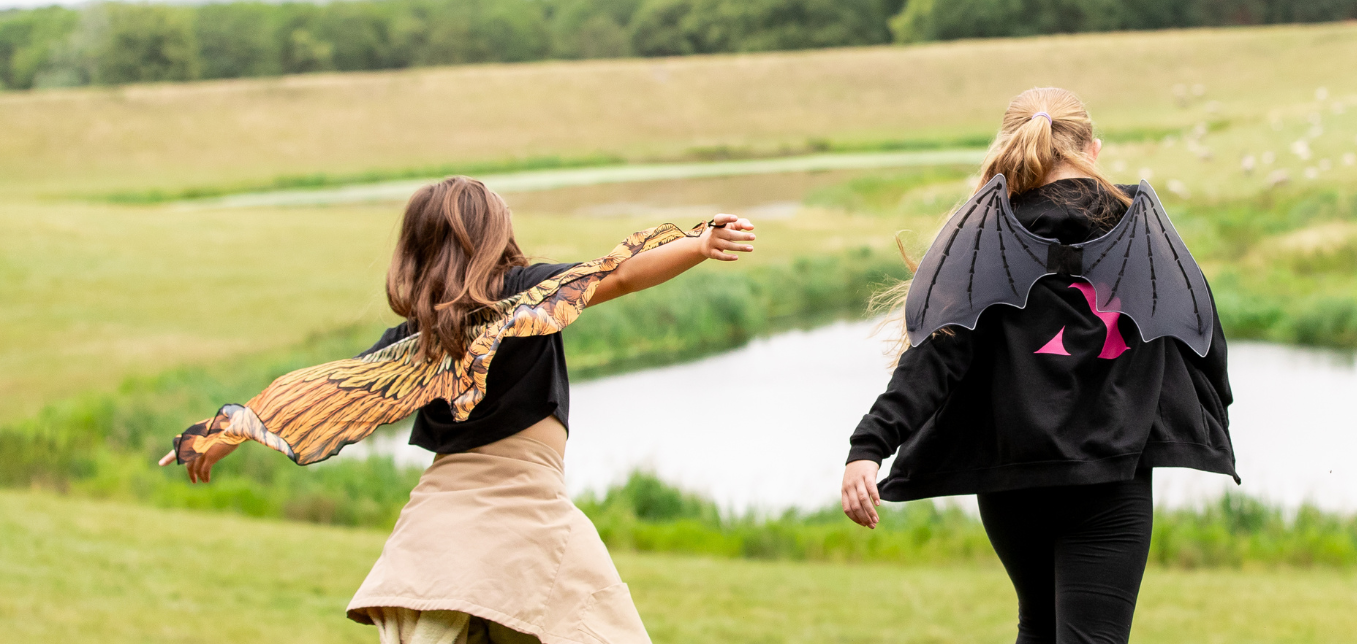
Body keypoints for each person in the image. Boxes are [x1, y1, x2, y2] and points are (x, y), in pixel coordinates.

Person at [169, 176, 756, 644]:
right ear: (494, 235)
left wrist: (224, 434)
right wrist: (700, 244)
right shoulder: (524, 294)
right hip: (524, 510)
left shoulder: (416, 338)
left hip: (440, 525)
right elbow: (620, 274)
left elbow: (318, 396)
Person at [840, 87, 1237, 644]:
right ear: (1092, 149)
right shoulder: (1137, 230)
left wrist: (870, 445)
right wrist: (1213, 411)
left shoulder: (982, 237)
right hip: (1108, 479)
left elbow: (937, 353)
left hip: (1012, 483)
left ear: (1010, 147)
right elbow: (1200, 337)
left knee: (1040, 627)